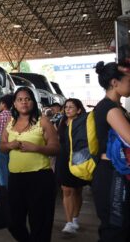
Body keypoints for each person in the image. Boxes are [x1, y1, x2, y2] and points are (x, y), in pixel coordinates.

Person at [0, 87, 59, 242]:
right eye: (20, 99)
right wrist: (10, 145)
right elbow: (2, 147)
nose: (24, 102)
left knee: (40, 223)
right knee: (13, 221)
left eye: (28, 99)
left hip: (40, 178)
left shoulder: (43, 121)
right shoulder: (10, 123)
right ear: (14, 103)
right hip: (16, 179)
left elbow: (56, 148)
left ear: (33, 102)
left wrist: (37, 148)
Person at [92, 61, 130, 241]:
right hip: (112, 173)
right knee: (116, 227)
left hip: (113, 171)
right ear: (115, 82)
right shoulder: (109, 108)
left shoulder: (114, 107)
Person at [55, 98, 89, 235]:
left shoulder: (83, 123)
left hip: (78, 158)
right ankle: (69, 222)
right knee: (66, 189)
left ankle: (75, 218)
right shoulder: (61, 122)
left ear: (79, 110)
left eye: (71, 107)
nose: (67, 109)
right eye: (66, 107)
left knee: (77, 190)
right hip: (63, 158)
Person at [0, 94, 13, 187]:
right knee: (10, 164)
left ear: (4, 104)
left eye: (0, 104)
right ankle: (11, 187)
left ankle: (3, 189)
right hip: (12, 140)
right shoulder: (13, 115)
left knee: (0, 167)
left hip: (0, 140)